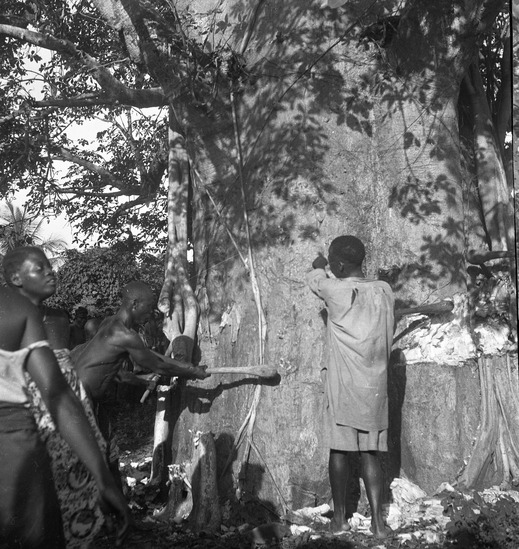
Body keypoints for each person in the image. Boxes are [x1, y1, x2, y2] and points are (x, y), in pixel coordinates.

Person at [2, 245, 125, 548]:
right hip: (12, 443)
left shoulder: (39, 313)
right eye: (39, 267)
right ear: (16, 278)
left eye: (48, 265)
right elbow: (56, 394)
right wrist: (103, 478)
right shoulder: (18, 309)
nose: (49, 271)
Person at [70, 280, 210, 487]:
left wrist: (154, 376)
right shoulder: (124, 335)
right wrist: (191, 370)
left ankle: (118, 511)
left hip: (83, 397)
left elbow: (132, 365)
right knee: (91, 461)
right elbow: (157, 364)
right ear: (134, 304)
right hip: (79, 400)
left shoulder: (110, 322)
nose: (151, 311)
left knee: (108, 453)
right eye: (149, 305)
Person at [306, 235, 394, 539]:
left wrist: (320, 265)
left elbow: (317, 279)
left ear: (339, 264)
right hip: (375, 386)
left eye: (333, 260)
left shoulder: (333, 289)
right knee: (371, 452)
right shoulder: (384, 291)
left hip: (344, 385)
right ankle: (378, 525)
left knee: (340, 449)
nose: (330, 263)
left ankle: (340, 519)